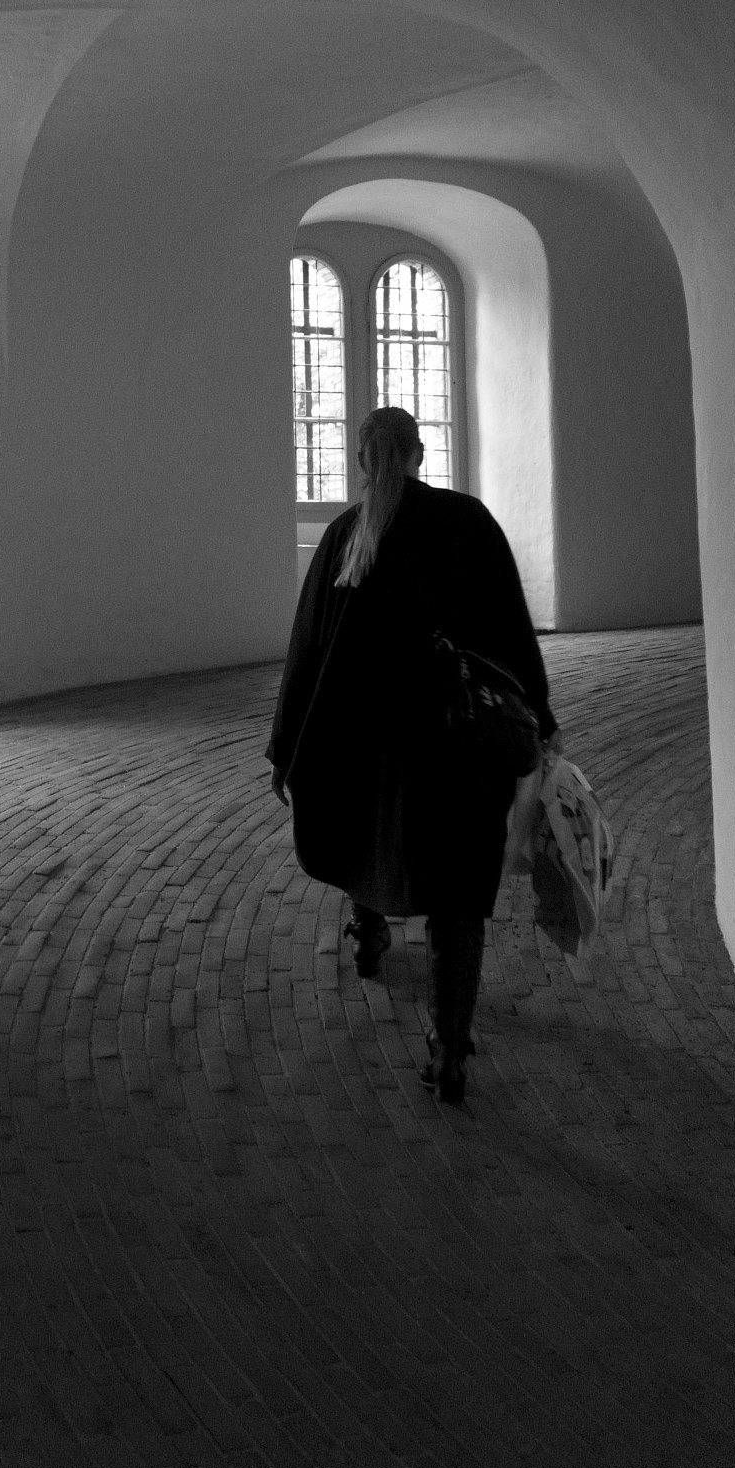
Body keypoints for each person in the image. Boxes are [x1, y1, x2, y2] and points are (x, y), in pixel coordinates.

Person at [266, 405, 558, 1105]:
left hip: (368, 749)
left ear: (365, 462)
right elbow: (512, 633)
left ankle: (368, 939)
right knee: (458, 893)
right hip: (459, 748)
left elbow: (306, 651)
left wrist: (286, 749)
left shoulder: (344, 537)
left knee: (369, 845)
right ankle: (449, 1049)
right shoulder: (469, 523)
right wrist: (540, 719)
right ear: (420, 453)